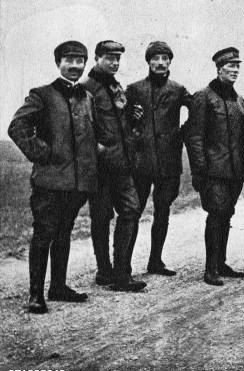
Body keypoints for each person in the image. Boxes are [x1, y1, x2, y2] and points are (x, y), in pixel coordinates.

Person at [8, 41, 97, 313]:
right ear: (58, 63)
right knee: (44, 233)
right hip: (49, 181)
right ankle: (36, 294)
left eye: (80, 61)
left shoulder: (87, 97)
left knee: (64, 232)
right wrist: (41, 152)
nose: (74, 66)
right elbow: (17, 127)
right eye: (69, 60)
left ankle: (58, 286)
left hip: (77, 183)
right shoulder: (42, 94)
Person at [82, 40, 146, 292]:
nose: (115, 62)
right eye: (109, 57)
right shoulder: (86, 88)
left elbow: (122, 124)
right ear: (97, 58)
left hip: (123, 163)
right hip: (99, 166)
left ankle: (121, 273)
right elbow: (82, 126)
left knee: (131, 210)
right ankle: (104, 271)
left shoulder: (117, 86)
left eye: (118, 58)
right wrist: (97, 150)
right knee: (101, 216)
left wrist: (133, 118)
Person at [125, 41, 192, 277]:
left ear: (170, 62)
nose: (160, 63)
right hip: (141, 163)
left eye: (165, 58)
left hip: (169, 163)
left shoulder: (178, 89)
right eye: (156, 58)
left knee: (162, 212)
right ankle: (124, 267)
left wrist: (182, 133)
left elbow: (197, 110)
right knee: (133, 212)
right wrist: (132, 121)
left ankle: (155, 261)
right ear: (149, 62)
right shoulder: (134, 89)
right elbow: (121, 119)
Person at [184, 47, 244, 286]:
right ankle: (210, 268)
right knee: (216, 214)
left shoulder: (240, 100)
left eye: (237, 66)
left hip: (235, 172)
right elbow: (195, 137)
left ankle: (221, 262)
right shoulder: (203, 97)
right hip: (213, 171)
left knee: (227, 213)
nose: (235, 70)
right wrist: (199, 171)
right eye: (230, 66)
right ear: (219, 68)